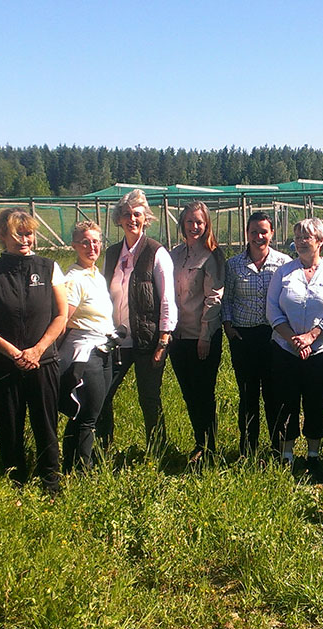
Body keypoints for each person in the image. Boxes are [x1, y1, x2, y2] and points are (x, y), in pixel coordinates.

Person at [0, 208, 67, 494]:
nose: (25, 239)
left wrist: (38, 350)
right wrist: (13, 353)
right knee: (9, 426)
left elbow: (61, 316)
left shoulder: (49, 267)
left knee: (46, 423)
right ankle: (16, 481)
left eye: (29, 233)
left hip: (44, 361)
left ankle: (51, 481)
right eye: (18, 234)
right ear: (2, 236)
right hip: (4, 363)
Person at [98, 189, 177, 453]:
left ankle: (158, 452)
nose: (132, 219)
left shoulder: (156, 252)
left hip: (148, 339)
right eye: (126, 214)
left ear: (146, 219)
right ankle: (103, 449)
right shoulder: (111, 254)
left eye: (137, 214)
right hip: (117, 340)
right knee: (103, 394)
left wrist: (164, 338)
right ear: (118, 219)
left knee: (149, 398)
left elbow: (167, 298)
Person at [266, 218, 323, 467]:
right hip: (284, 350)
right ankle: (287, 455)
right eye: (298, 237)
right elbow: (271, 309)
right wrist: (292, 339)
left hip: (320, 352)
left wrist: (312, 336)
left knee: (316, 401)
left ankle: (313, 455)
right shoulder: (284, 272)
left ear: (320, 241)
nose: (301, 242)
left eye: (307, 237)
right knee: (286, 401)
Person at [222, 211, 291, 457]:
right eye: (254, 232)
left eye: (264, 231)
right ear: (247, 234)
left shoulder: (284, 263)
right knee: (248, 395)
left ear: (272, 233)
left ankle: (277, 447)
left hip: (274, 337)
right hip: (244, 338)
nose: (259, 236)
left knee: (274, 395)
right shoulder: (234, 265)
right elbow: (226, 299)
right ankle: (248, 449)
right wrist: (229, 328)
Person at [58, 220, 115, 473]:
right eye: (85, 242)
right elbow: (62, 319)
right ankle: (83, 471)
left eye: (96, 241)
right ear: (74, 246)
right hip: (84, 350)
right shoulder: (74, 279)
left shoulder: (96, 275)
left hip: (102, 348)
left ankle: (71, 464)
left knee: (86, 412)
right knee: (88, 415)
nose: (91, 246)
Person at [170, 201, 225, 463]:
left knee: (204, 392)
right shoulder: (175, 255)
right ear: (182, 223)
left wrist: (205, 336)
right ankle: (198, 441)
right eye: (190, 221)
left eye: (199, 222)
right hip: (178, 337)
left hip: (202, 337)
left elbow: (214, 298)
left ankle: (210, 446)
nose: (194, 226)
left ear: (206, 225)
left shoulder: (211, 255)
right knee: (188, 392)